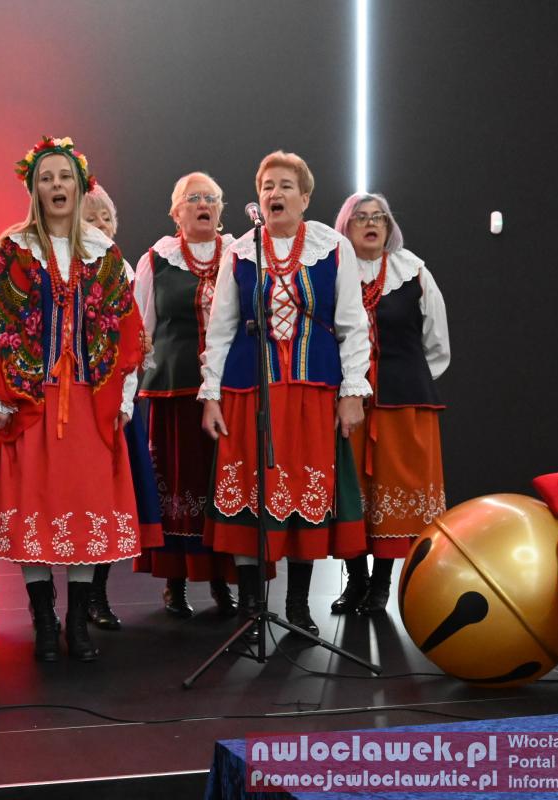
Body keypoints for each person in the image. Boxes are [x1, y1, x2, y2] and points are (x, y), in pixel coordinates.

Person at [0, 136, 143, 662]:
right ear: (35, 189)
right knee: (35, 507)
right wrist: (1, 399)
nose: (56, 185)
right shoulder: (16, 249)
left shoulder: (104, 252)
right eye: (45, 178)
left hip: (90, 403)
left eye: (64, 176)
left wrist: (124, 397)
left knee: (84, 507)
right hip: (32, 403)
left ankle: (77, 621)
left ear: (81, 185)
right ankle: (44, 621)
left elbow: (126, 330)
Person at [199, 151, 370, 641]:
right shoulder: (240, 252)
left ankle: (297, 606)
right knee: (250, 493)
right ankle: (253, 607)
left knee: (302, 492)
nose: (275, 193)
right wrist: (211, 395)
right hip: (248, 392)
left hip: (312, 392)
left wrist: (352, 391)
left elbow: (353, 325)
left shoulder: (332, 247)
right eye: (267, 186)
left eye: (285, 185)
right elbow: (221, 328)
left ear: (306, 197)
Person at [329, 193, 449, 615]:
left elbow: (437, 344)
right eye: (360, 217)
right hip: (347, 403)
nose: (371, 223)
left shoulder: (413, 271)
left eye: (379, 217)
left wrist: (406, 379)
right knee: (350, 490)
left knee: (394, 490)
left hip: (402, 404)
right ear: (345, 227)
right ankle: (356, 581)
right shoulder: (333, 273)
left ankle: (381, 585)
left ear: (389, 226)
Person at [133, 172, 239, 618]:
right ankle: (174, 582)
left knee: (223, 483)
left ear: (220, 209)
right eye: (193, 198)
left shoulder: (240, 253)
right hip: (174, 391)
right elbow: (142, 330)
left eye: (211, 197)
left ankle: (223, 580)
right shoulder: (157, 260)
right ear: (175, 212)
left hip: (231, 392)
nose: (203, 204)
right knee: (177, 484)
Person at [78, 183, 161, 631]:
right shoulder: (62, 265)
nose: (101, 225)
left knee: (107, 499)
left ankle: (97, 593)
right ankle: (64, 601)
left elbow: (130, 344)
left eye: (106, 217)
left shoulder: (122, 269)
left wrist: (124, 399)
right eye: (91, 217)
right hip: (71, 399)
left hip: (112, 401)